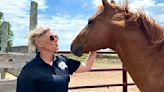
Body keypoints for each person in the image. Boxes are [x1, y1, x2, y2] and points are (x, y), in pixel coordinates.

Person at [16, 26, 97, 92]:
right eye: (52, 38)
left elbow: (87, 66)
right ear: (40, 43)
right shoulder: (29, 71)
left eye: (56, 37)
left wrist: (95, 48)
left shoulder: (62, 60)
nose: (56, 40)